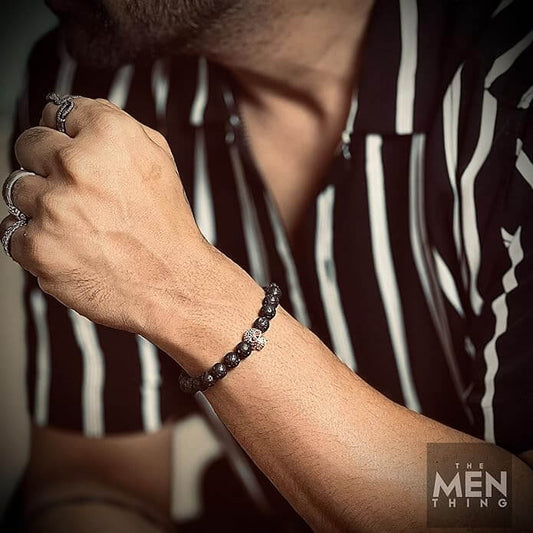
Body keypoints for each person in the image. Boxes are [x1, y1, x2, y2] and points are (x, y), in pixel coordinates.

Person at [2, 0, 532, 530]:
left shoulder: (513, 101)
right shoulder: (93, 85)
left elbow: (512, 505)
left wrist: (186, 294)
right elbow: (99, 478)